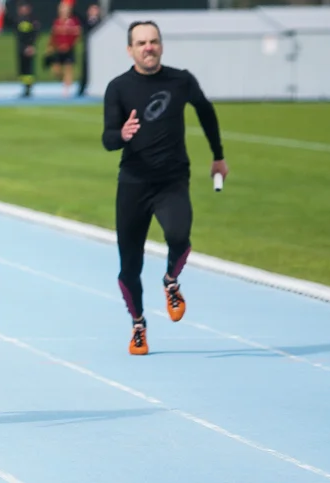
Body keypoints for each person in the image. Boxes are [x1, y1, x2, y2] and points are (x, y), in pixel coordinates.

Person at [101, 20, 228, 355]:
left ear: (161, 45)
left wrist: (218, 157)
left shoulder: (181, 80)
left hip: (172, 180)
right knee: (129, 266)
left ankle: (171, 282)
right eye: (141, 43)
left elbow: (206, 111)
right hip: (133, 183)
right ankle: (138, 325)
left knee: (178, 235)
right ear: (130, 49)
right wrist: (122, 135)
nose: (148, 48)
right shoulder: (118, 87)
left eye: (153, 41)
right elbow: (107, 138)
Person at [14, 2, 39, 98]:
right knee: (22, 70)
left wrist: (31, 46)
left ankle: (29, 88)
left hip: (29, 48)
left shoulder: (32, 20)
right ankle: (24, 87)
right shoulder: (18, 20)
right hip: (20, 49)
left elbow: (35, 35)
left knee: (29, 70)